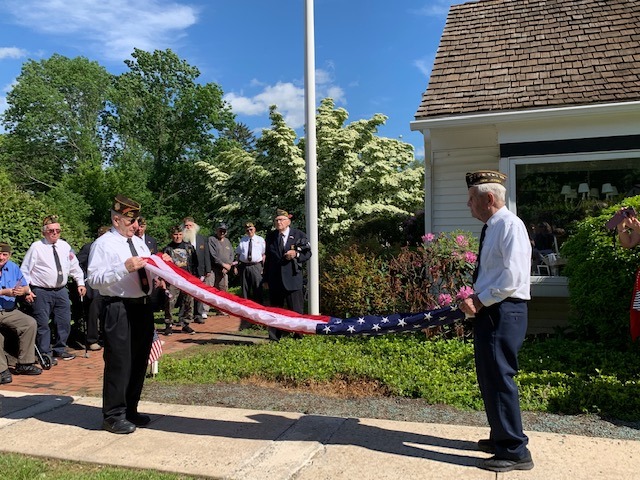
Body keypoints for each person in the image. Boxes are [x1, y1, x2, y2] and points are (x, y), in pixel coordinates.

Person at [458, 170, 534, 473]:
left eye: (471, 198)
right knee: (490, 377)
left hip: (503, 310)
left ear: (488, 198)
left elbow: (512, 277)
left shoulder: (510, 226)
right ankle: (501, 437)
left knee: (500, 378)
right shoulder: (494, 227)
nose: (468, 204)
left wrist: (479, 300)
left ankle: (515, 451)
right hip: (493, 309)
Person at [87, 194, 167, 434]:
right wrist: (123, 268)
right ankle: (113, 415)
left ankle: (130, 409)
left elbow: (147, 270)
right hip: (118, 307)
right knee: (119, 362)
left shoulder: (139, 243)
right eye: (130, 221)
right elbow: (94, 280)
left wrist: (161, 269)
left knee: (139, 360)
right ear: (116, 219)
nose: (135, 225)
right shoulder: (103, 244)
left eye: (137, 220)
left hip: (142, 307)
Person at [21, 215, 86, 363]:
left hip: (61, 290)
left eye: (58, 230)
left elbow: (74, 266)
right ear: (44, 232)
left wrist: (80, 283)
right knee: (42, 323)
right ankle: (45, 354)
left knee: (64, 321)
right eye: (51, 231)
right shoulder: (36, 247)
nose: (55, 233)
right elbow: (25, 270)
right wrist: (27, 290)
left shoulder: (65, 246)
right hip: (41, 291)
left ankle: (60, 349)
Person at [263, 209, 311, 340]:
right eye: (276, 220)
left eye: (281, 220)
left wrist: (296, 254)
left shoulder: (298, 234)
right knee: (275, 310)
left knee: (296, 309)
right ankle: (274, 337)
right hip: (275, 279)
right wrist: (265, 279)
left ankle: (298, 335)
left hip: (293, 278)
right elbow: (268, 259)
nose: (279, 222)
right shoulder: (271, 237)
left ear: (288, 221)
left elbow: (308, 253)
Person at [0, 241, 42, 384]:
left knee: (29, 323)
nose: (1, 257)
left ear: (9, 255)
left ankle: (25, 363)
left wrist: (23, 291)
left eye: (4, 254)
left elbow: (25, 286)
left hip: (9, 310)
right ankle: (2, 371)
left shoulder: (13, 267)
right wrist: (4, 292)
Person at [77, 225, 111, 351]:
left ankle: (106, 337)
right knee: (93, 313)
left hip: (109, 285)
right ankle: (92, 339)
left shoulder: (112, 248)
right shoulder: (89, 247)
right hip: (94, 285)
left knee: (108, 312)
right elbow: (77, 263)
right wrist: (84, 278)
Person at [162, 225, 197, 336]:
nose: (178, 237)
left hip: (187, 277)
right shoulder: (167, 249)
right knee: (170, 301)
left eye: (180, 234)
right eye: (175, 234)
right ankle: (168, 324)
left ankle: (186, 324)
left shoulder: (189, 247)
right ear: (171, 235)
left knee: (188, 301)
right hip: (173, 279)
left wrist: (195, 277)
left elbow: (195, 262)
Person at [235, 222, 266, 329]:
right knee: (245, 290)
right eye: (247, 230)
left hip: (256, 266)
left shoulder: (260, 240)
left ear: (255, 229)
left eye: (251, 229)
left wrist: (264, 268)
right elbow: (238, 254)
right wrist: (236, 266)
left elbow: (264, 254)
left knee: (257, 288)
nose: (249, 231)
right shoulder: (243, 240)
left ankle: (259, 313)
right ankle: (246, 313)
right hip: (244, 266)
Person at [182, 217, 211, 322]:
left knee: (199, 293)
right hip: (186, 270)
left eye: (190, 225)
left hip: (199, 270)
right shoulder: (182, 239)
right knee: (187, 294)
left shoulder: (201, 239)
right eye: (186, 226)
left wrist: (208, 269)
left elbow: (206, 254)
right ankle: (185, 315)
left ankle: (198, 315)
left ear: (194, 226)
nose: (188, 227)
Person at [208, 222, 234, 313]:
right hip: (213, 269)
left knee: (223, 289)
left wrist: (228, 265)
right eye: (220, 230)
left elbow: (231, 254)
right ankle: (204, 311)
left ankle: (222, 309)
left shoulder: (227, 241)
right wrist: (223, 264)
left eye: (224, 231)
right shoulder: (211, 239)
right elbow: (213, 255)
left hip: (224, 270)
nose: (222, 232)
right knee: (209, 289)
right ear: (217, 230)